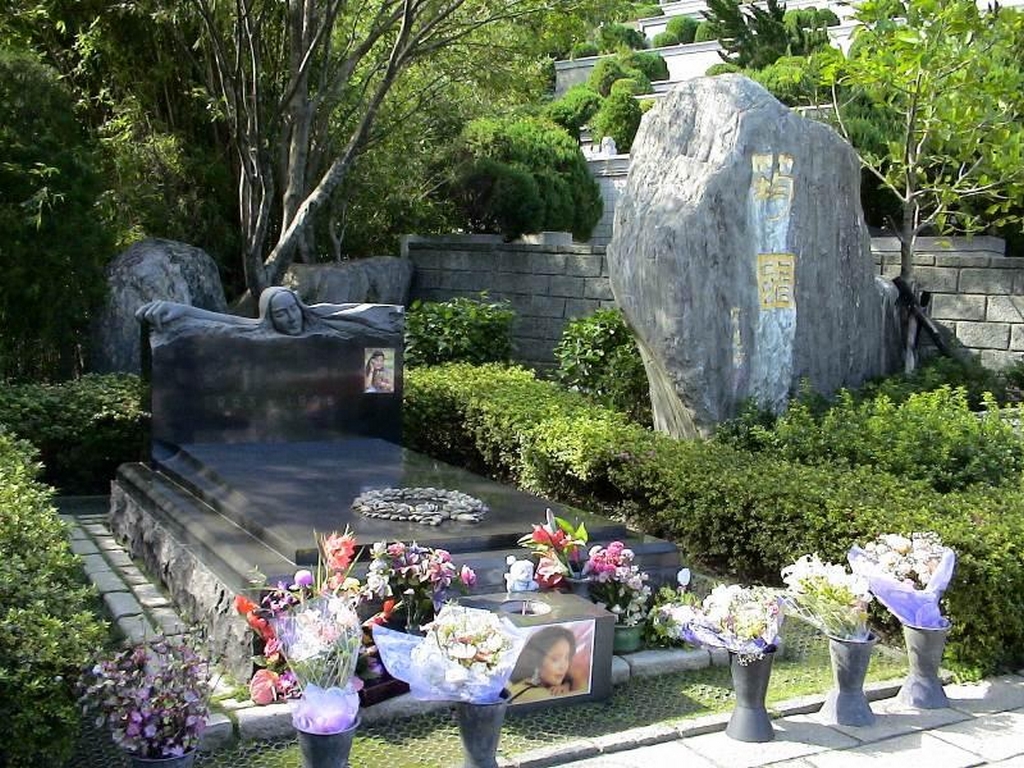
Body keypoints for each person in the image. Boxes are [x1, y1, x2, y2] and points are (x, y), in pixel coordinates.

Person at [135, 286, 402, 338]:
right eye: (281, 315)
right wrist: (181, 310)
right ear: (270, 319)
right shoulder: (263, 333)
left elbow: (360, 313)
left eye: (293, 310)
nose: (291, 318)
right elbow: (229, 321)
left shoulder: (322, 320)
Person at [507, 625, 577, 703]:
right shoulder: (537, 695)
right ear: (537, 660)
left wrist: (566, 685)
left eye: (567, 658)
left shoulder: (521, 686)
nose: (563, 666)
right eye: (555, 659)